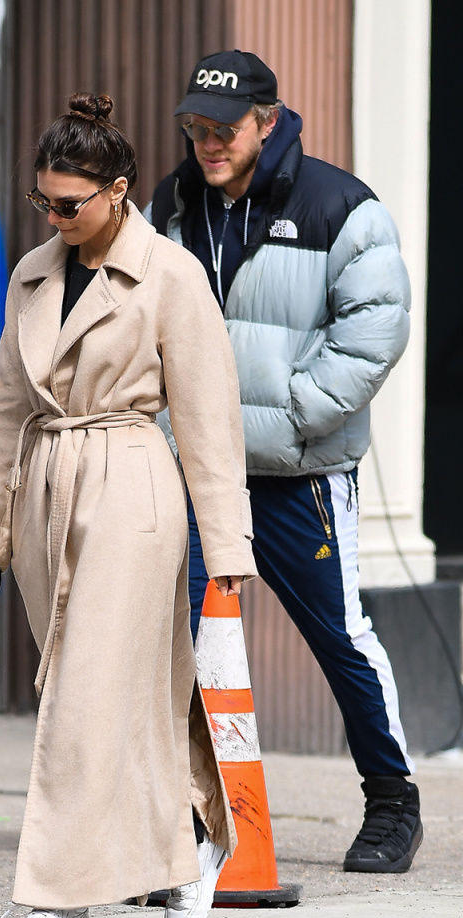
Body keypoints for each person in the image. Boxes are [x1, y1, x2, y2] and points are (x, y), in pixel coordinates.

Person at [0, 92, 257, 918]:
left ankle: (64, 899)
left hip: (133, 489)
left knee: (89, 696)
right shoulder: (32, 273)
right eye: (42, 201)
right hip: (46, 487)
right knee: (114, 698)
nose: (54, 216)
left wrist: (227, 543)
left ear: (118, 190)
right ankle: (191, 843)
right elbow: (4, 416)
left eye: (68, 203)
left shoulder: (170, 273)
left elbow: (209, 420)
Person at [149, 49, 421, 874]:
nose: (208, 142)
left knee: (341, 637)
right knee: (186, 644)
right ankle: (198, 816)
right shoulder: (171, 203)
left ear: (268, 123)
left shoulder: (342, 206)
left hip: (300, 474)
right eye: (196, 127)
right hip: (198, 473)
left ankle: (392, 803)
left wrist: (291, 418)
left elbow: (377, 328)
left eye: (224, 128)